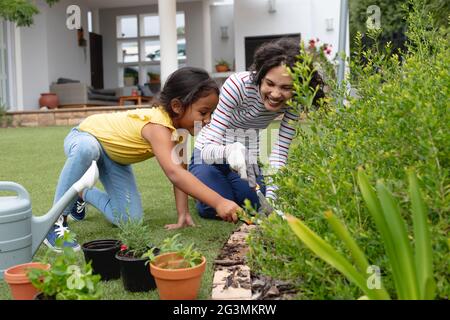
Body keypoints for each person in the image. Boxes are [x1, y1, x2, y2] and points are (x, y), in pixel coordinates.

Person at [44, 67, 241, 251]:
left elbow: (181, 168)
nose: (208, 120)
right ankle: (54, 222)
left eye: (211, 113)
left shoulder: (179, 131)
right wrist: (218, 202)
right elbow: (174, 174)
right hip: (87, 136)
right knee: (87, 149)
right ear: (177, 106)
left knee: (131, 219)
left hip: (115, 157)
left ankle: (82, 193)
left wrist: (183, 213)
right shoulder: (157, 126)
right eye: (203, 112)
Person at [189, 38, 324, 219]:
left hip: (246, 158)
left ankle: (211, 185)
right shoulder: (237, 86)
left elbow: (279, 153)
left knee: (253, 204)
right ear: (260, 76)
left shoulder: (295, 102)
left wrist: (271, 201)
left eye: (286, 87)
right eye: (270, 84)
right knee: (213, 208)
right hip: (209, 152)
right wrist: (231, 151)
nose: (276, 94)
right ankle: (198, 183)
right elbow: (207, 149)